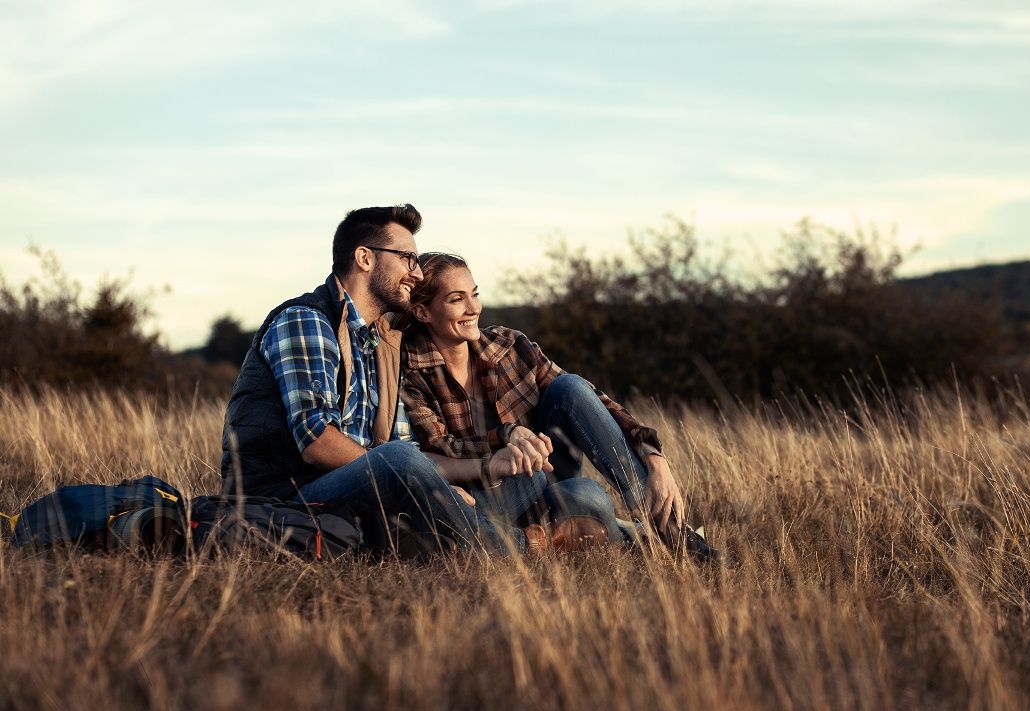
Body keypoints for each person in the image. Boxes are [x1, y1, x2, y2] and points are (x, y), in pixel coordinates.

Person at [219, 205, 601, 557]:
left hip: (365, 492)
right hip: (288, 497)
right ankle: (522, 546)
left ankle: (452, 538)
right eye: (407, 258)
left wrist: (484, 468)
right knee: (399, 460)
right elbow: (316, 442)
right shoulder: (307, 320)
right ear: (365, 258)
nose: (416, 274)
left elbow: (407, 451)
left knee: (529, 477)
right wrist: (407, 476)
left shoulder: (380, 342)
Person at [400, 252, 720, 562]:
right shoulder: (410, 372)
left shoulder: (509, 345)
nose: (473, 308)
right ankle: (559, 537)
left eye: (475, 294)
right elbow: (438, 447)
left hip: (542, 474)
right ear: (423, 312)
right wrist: (507, 435)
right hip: (488, 496)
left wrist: (653, 456)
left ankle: (670, 528)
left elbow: (592, 401)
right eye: (456, 299)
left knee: (570, 388)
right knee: (587, 495)